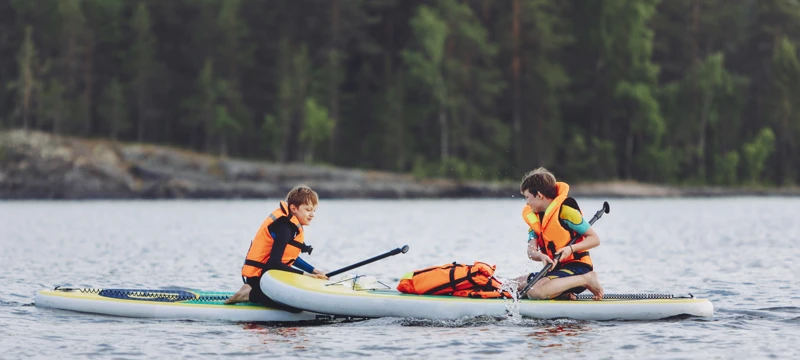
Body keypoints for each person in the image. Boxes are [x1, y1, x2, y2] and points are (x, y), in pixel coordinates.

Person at [225, 185, 328, 306]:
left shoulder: (290, 226)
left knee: (297, 300)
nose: (312, 214)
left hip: (269, 276)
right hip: (260, 279)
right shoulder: (284, 228)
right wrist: (307, 275)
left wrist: (314, 271)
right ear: (294, 208)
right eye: (308, 210)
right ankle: (248, 294)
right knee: (295, 307)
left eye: (314, 210)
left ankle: (252, 292)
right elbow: (274, 263)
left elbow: (287, 257)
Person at [514, 167, 604, 300]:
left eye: (527, 197)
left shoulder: (566, 212)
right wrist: (540, 256)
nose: (527, 202)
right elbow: (531, 251)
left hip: (578, 268)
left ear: (539, 195)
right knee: (512, 285)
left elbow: (594, 239)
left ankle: (587, 279)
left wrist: (570, 249)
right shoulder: (535, 219)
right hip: (556, 270)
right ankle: (562, 293)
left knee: (534, 292)